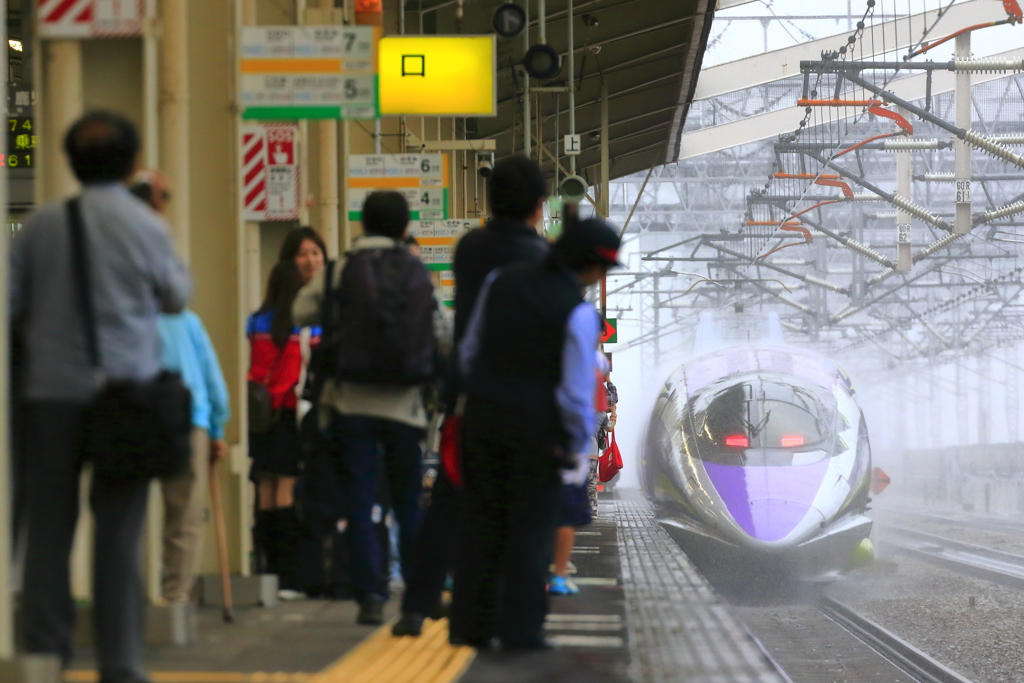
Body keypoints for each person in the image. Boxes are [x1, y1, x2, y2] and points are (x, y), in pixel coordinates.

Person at [11, 111, 190, 683]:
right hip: (126, 401)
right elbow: (175, 297)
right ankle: (120, 662)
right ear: (135, 164)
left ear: (68, 161)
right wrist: (156, 213)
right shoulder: (146, 227)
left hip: (50, 398)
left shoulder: (40, 227)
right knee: (119, 532)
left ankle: (44, 655)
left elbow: (11, 305)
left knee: (48, 530)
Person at [394, 155, 550, 637]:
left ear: (488, 200)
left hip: (471, 401)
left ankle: (416, 607)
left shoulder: (471, 249)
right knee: (521, 513)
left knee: (449, 503)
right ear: (539, 207)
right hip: (527, 406)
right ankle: (510, 613)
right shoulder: (545, 260)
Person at [450, 217, 622, 650]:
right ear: (590, 266)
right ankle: (521, 631)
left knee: (481, 527)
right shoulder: (578, 312)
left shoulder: (500, 282)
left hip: (484, 422)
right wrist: (576, 444)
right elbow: (573, 390)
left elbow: (468, 350)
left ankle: (470, 626)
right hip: (538, 435)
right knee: (530, 534)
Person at [293, 191, 451, 626]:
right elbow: (442, 332)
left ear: (363, 224)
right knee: (407, 503)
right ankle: (418, 603)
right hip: (406, 408)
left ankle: (371, 595)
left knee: (359, 502)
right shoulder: (417, 271)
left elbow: (299, 311)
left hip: (350, 403)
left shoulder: (342, 268)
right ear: (404, 229)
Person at [130, 171, 232, 608]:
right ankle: (174, 599)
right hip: (186, 418)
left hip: (129, 408)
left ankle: (128, 596)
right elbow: (211, 379)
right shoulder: (186, 320)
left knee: (127, 510)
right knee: (183, 515)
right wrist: (216, 428)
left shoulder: (126, 312)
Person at [248, 260, 320, 600]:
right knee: (286, 491)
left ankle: (265, 570)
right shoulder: (304, 330)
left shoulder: (254, 323)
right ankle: (289, 578)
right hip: (289, 417)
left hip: (259, 417)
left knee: (264, 489)